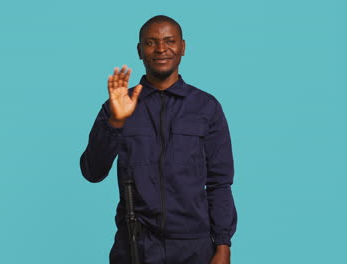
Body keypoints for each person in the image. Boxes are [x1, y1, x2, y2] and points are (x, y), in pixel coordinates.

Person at [80, 15, 237, 264]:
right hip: (135, 247)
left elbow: (220, 183)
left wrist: (223, 245)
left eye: (169, 41)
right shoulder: (118, 106)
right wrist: (116, 122)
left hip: (194, 247)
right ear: (139, 50)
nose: (161, 49)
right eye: (151, 42)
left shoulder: (207, 107)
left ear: (183, 47)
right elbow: (92, 171)